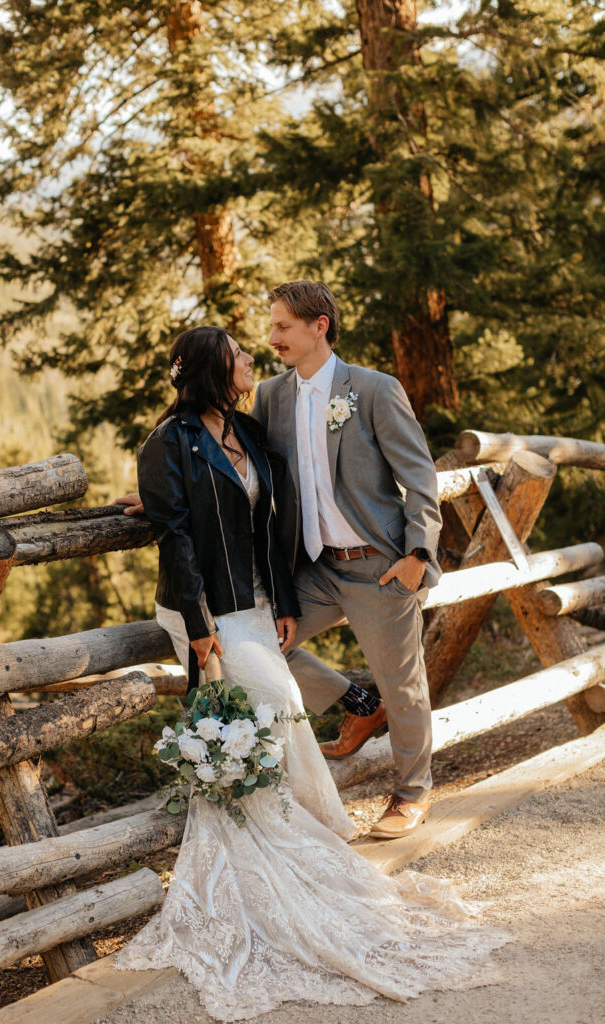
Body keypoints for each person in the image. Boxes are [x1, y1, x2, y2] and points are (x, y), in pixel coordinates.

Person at [113, 325, 508, 1022]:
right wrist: (199, 625)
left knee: (282, 714)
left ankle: (312, 823)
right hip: (208, 610)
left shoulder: (245, 427)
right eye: (239, 354)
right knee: (277, 710)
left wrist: (288, 602)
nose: (252, 359)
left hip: (262, 603)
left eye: (259, 343)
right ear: (213, 368)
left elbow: (270, 518)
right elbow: (177, 535)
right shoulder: (167, 441)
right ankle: (281, 842)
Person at [253, 280, 442, 838]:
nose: (273, 337)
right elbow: (237, 460)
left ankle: (411, 794)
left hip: (378, 566)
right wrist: (164, 494)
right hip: (312, 568)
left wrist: (417, 554)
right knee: (260, 645)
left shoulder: (375, 389)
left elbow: (420, 476)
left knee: (403, 683)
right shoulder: (270, 396)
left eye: (283, 326)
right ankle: (358, 703)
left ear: (320, 326)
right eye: (271, 326)